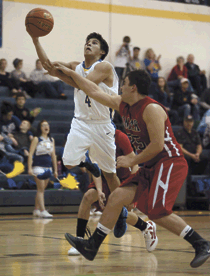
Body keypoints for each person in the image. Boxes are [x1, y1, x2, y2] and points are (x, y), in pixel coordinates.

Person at [52, 67, 210, 268]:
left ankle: (201, 243)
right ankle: (92, 246)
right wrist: (70, 74)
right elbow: (93, 91)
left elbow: (157, 145)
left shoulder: (151, 109)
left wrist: (131, 161)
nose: (120, 87)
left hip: (169, 162)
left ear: (133, 87)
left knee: (158, 212)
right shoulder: (123, 104)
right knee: (116, 197)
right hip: (151, 164)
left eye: (123, 83)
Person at [27, 32, 125, 229]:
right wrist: (35, 39)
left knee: (110, 174)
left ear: (102, 51)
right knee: (70, 162)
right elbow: (48, 65)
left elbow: (85, 86)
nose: (89, 44)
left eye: (94, 42)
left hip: (102, 124)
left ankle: (121, 211)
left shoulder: (104, 66)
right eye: (87, 41)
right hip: (81, 122)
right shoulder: (76, 65)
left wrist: (66, 73)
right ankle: (90, 164)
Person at [68, 129, 158, 255]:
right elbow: (95, 169)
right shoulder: (94, 137)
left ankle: (146, 227)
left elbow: (135, 164)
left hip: (123, 180)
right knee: (88, 196)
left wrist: (134, 190)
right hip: (104, 178)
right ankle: (79, 240)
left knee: (116, 212)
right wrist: (99, 191)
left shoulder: (120, 137)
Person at [28, 120, 57, 218]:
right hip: (38, 167)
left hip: (48, 168)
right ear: (40, 128)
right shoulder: (36, 139)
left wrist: (56, 170)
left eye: (47, 124)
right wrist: (29, 168)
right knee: (40, 190)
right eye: (43, 125)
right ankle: (43, 210)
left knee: (42, 190)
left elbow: (54, 156)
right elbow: (31, 154)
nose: (46, 126)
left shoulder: (51, 139)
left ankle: (36, 210)